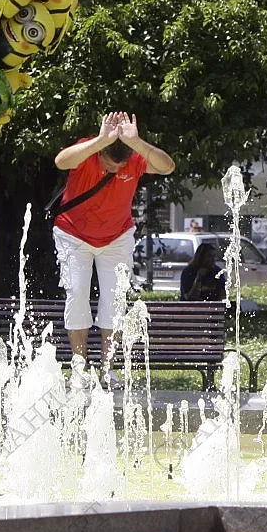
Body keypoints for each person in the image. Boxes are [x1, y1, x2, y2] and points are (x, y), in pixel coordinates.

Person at [52, 111, 174, 378]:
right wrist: (99, 140)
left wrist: (137, 142)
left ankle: (108, 368)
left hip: (117, 238)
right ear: (99, 152)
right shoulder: (89, 151)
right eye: (110, 164)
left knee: (115, 301)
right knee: (77, 295)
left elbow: (167, 166)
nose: (117, 169)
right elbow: (61, 162)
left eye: (122, 165)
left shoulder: (133, 157)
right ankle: (80, 368)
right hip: (73, 235)